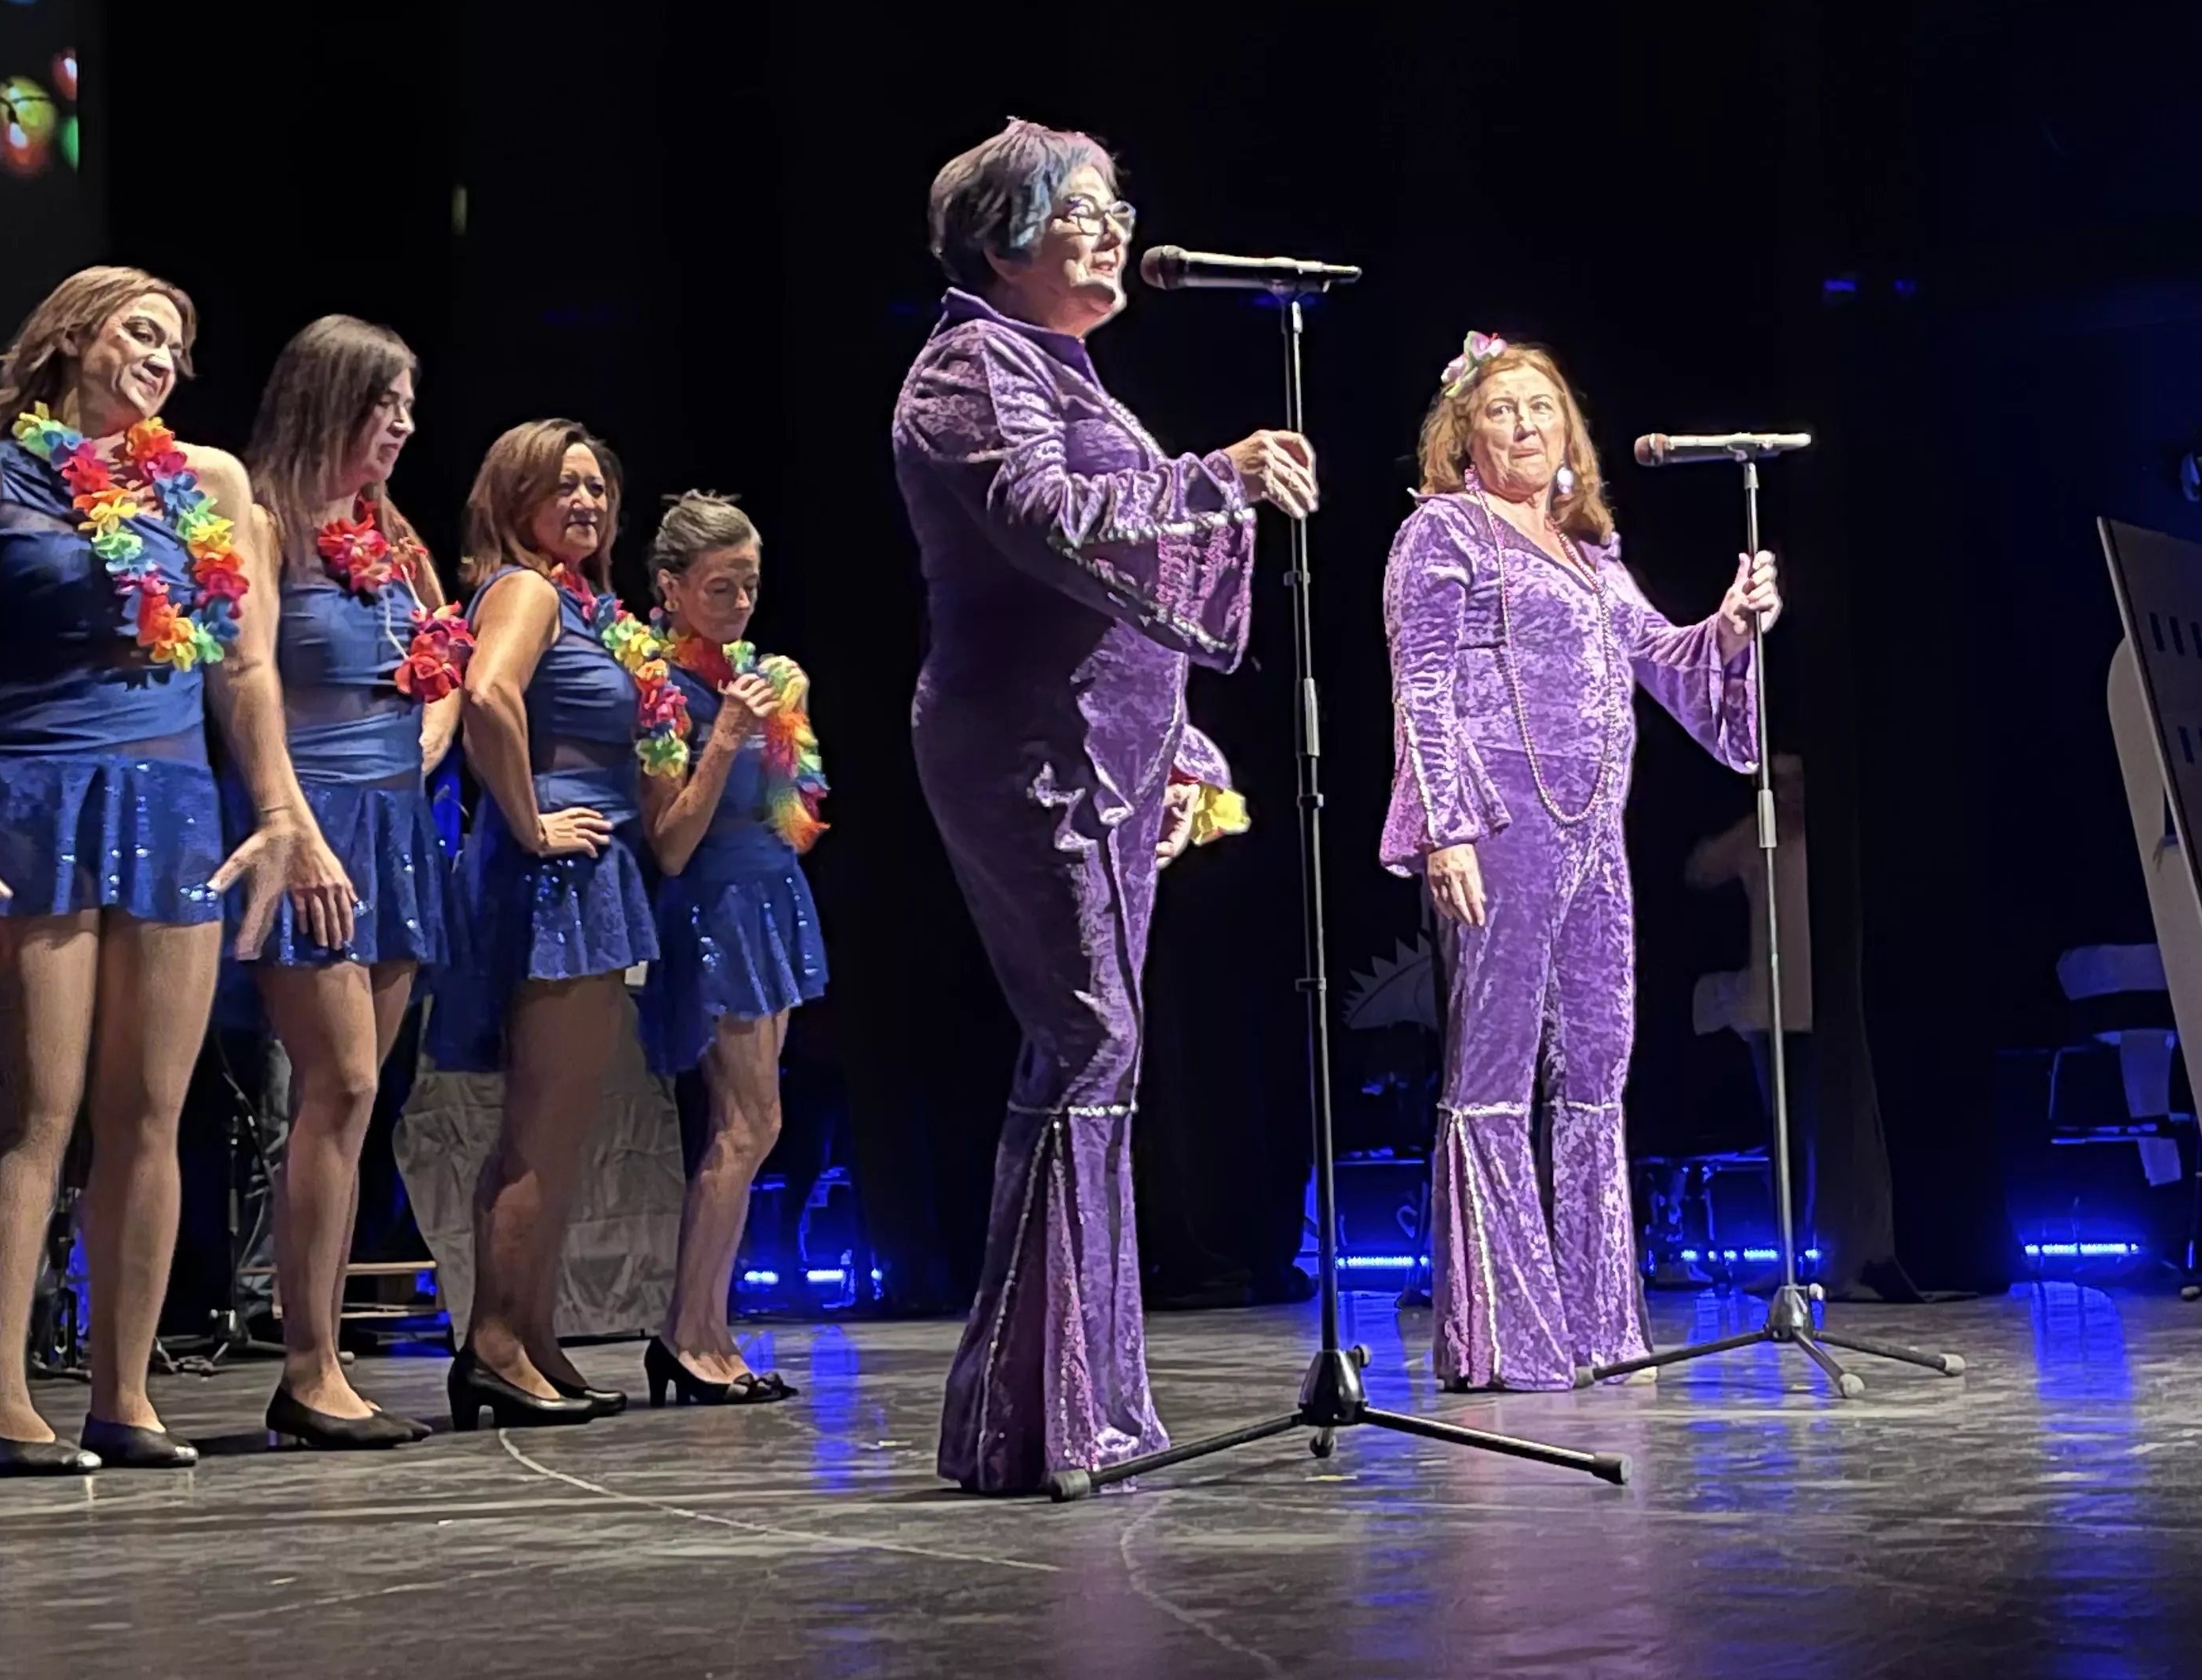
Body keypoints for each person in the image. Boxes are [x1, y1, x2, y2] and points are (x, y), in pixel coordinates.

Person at [891, 119, 1314, 1494]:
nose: (1112, 226)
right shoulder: (967, 365)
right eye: (1078, 208)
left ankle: (1070, 1402)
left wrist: (1181, 732)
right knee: (1087, 1037)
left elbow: (1120, 596)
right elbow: (1045, 514)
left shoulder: (1059, 365)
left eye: (1116, 204)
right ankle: (1036, 1407)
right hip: (1027, 751)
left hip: (1112, 750)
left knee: (1101, 1054)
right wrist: (1218, 476)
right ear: (1004, 239)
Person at [0, 265, 334, 1474]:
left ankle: (124, 1395)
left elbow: (244, 672)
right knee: (41, 1110)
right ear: (71, 337)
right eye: (142, 331)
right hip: (32, 800)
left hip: (171, 803)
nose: (163, 355)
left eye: (178, 343)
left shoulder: (207, 484)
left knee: (151, 1111)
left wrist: (282, 811)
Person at [1380, 332, 1779, 1391]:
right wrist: (1444, 823)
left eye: (1542, 407)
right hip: (1499, 824)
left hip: (1592, 830)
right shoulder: (1443, 534)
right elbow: (1420, 688)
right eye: (1502, 408)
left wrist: (1731, 628)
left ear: (1570, 432)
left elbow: (1663, 658)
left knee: (1599, 1064)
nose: (1525, 423)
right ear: (1465, 432)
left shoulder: (1587, 553)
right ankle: (1503, 1333)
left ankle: (1600, 1324)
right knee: (1496, 1072)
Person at [236, 315, 463, 1448]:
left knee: (360, 1100)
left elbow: (446, 655)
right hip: (312, 826)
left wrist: (429, 739)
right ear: (332, 399)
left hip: (395, 823)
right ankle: (308, 1364)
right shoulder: (268, 521)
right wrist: (300, 826)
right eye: (389, 406)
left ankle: (321, 1364)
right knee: (342, 1087)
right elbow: (247, 689)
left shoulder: (390, 529)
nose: (406, 427)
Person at [429, 419, 663, 1430]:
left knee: (562, 1132)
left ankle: (531, 1336)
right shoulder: (524, 591)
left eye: (599, 487)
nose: (588, 502)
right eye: (564, 485)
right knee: (540, 1130)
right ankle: (493, 1345)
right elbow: (487, 694)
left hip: (588, 873)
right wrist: (527, 820)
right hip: (557, 876)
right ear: (514, 496)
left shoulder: (577, 601)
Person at [634, 492, 831, 1406]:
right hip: (715, 906)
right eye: (721, 587)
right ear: (670, 589)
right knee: (749, 1124)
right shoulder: (659, 688)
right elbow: (670, 842)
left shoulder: (756, 674)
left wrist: (783, 729)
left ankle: (705, 1329)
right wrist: (728, 735)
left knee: (748, 1128)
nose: (740, 603)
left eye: (750, 585)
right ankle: (690, 1334)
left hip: (769, 897)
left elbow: (791, 813)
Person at [1688, 753, 1816, 1229]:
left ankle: (1833, 1242)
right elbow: (1700, 870)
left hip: (1823, 1005)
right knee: (1785, 1135)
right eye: (1778, 783)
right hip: (1775, 1007)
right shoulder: (1756, 835)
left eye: (1797, 781)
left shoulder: (1826, 835)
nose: (1789, 794)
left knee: (1825, 1132)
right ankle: (1790, 1248)